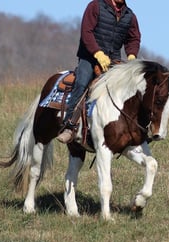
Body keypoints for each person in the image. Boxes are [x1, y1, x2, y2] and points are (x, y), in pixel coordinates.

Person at [56, 0, 141, 143]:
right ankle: (69, 126)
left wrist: (132, 55)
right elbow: (86, 32)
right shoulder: (95, 6)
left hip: (113, 60)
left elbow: (134, 38)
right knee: (82, 83)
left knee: (128, 89)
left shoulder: (129, 15)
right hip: (89, 57)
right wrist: (98, 53)